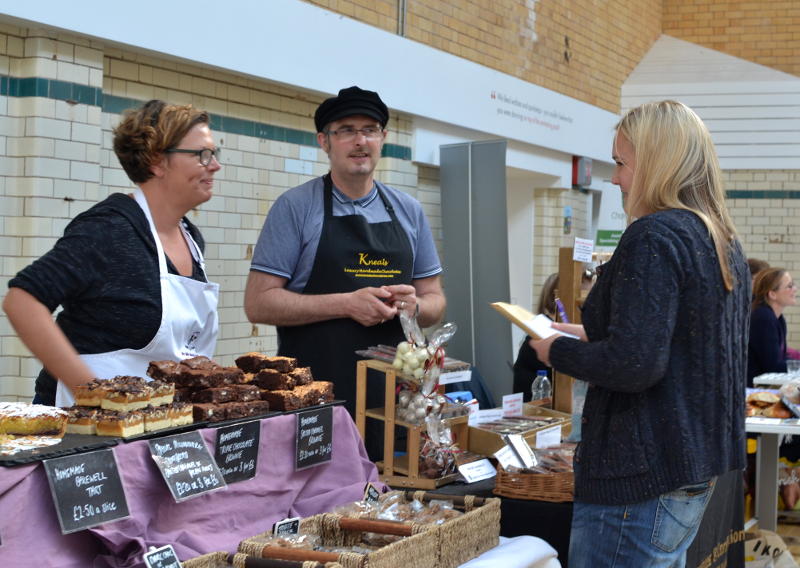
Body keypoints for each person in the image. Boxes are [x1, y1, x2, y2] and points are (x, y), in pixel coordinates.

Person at [531, 100, 749, 567]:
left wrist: (557, 351)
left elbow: (635, 364)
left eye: (621, 163)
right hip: (689, 468)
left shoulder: (654, 235)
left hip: (640, 477)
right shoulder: (721, 240)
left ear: (656, 163)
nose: (614, 179)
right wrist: (582, 335)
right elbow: (671, 342)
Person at [244, 86, 446, 419]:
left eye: (369, 130)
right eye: (346, 131)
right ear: (324, 141)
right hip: (313, 399)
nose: (360, 141)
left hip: (396, 400)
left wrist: (415, 306)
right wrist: (345, 304)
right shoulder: (296, 207)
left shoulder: (409, 210)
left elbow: (435, 301)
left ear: (383, 138)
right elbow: (258, 303)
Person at [3, 100, 221, 406]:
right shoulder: (108, 230)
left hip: (158, 417)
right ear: (157, 161)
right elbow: (22, 300)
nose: (214, 165)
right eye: (202, 155)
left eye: (214, 154)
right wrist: (93, 393)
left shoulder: (191, 238)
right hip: (84, 427)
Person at [747, 267, 797, 386]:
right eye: (789, 286)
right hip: (753, 389)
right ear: (772, 294)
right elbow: (773, 365)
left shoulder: (778, 318)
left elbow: (782, 358)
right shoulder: (763, 317)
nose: (795, 289)